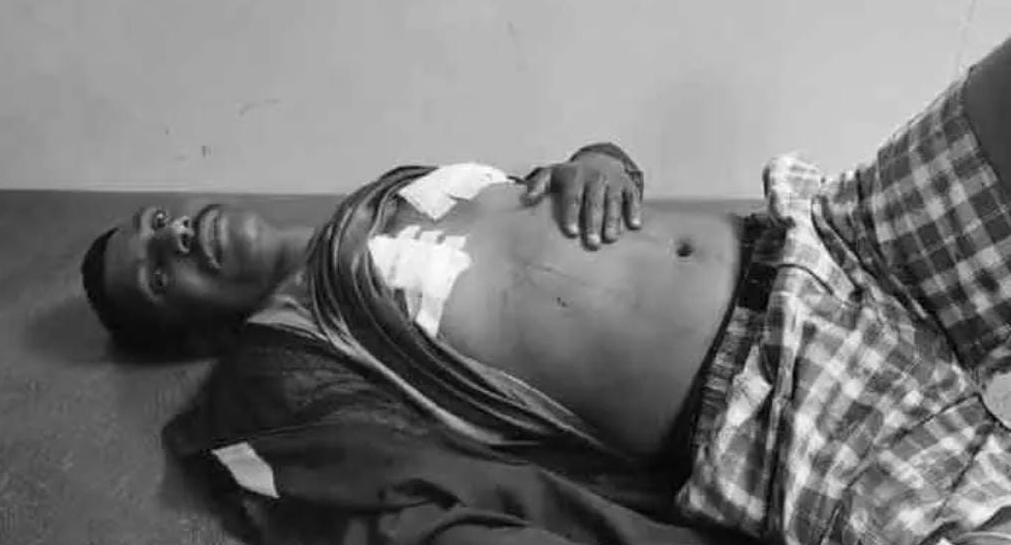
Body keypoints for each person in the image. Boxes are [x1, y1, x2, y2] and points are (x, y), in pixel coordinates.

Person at [81, 38, 1011, 545]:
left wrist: (597, 160)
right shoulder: (294, 352)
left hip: (837, 237)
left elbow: (547, 200)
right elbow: (368, 494)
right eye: (157, 273)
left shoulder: (388, 189)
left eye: (157, 221)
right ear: (188, 333)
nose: (175, 237)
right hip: (788, 409)